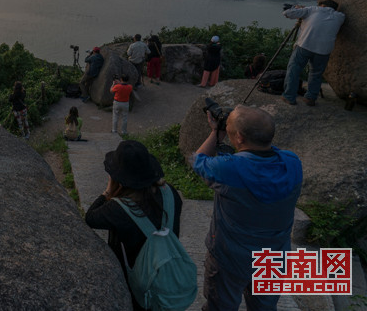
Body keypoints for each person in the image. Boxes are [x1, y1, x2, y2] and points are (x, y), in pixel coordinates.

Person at [193, 105, 302, 311]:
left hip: (230, 258)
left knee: (221, 306)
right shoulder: (293, 163)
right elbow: (269, 151)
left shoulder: (227, 168)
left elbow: (198, 160)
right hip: (273, 258)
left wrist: (217, 132)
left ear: (240, 137)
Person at [86, 140, 183, 311]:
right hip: (168, 277)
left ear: (119, 178)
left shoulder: (119, 208)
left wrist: (108, 190)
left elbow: (90, 218)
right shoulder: (171, 194)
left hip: (137, 286)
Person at [281, 0, 345, 106]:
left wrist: (298, 9)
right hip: (324, 51)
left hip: (305, 45)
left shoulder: (312, 10)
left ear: (322, 5)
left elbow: (287, 13)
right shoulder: (340, 16)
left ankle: (289, 97)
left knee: (294, 70)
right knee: (316, 74)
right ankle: (310, 98)